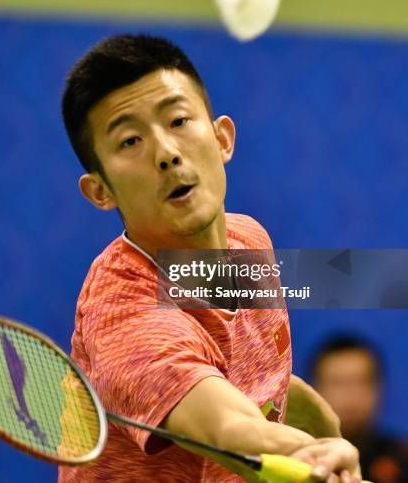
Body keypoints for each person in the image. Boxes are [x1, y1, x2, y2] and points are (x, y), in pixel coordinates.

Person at [59, 34, 361, 482]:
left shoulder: (247, 241)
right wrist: (309, 451)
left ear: (222, 138)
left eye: (178, 120)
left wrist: (321, 428)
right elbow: (226, 426)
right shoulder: (124, 315)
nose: (166, 153)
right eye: (129, 141)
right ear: (100, 191)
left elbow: (255, 381)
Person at [310, 335, 408, 482]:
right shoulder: (299, 455)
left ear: (379, 388)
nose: (351, 394)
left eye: (362, 382)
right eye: (338, 383)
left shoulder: (401, 457)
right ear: (314, 390)